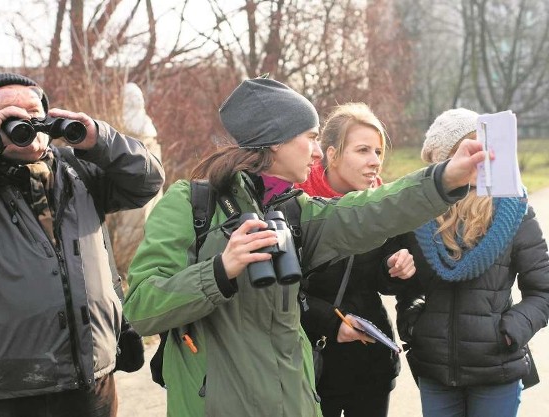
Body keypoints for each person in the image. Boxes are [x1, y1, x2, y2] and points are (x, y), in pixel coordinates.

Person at [123, 77, 486, 417]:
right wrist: (220, 270)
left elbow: (371, 211)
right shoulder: (191, 204)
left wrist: (445, 179)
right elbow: (141, 308)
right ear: (275, 141)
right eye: (310, 138)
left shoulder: (295, 210)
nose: (317, 152)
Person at [0, 72, 165, 417]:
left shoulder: (80, 172)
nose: (27, 120)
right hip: (8, 388)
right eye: (11, 113)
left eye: (33, 111)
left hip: (92, 378)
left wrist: (98, 138)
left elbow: (147, 181)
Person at [396, 108, 549, 417]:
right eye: (468, 150)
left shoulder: (513, 213)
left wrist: (510, 331)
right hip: (435, 370)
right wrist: (413, 324)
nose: (479, 159)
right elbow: (403, 285)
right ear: (444, 160)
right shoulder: (419, 215)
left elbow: (543, 290)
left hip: (497, 369)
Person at [296, 103, 415, 417]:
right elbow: (282, 292)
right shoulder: (297, 204)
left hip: (370, 362)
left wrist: (395, 268)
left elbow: (382, 284)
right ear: (332, 154)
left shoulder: (383, 204)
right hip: (311, 363)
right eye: (363, 150)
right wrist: (332, 323)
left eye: (378, 151)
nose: (374, 161)